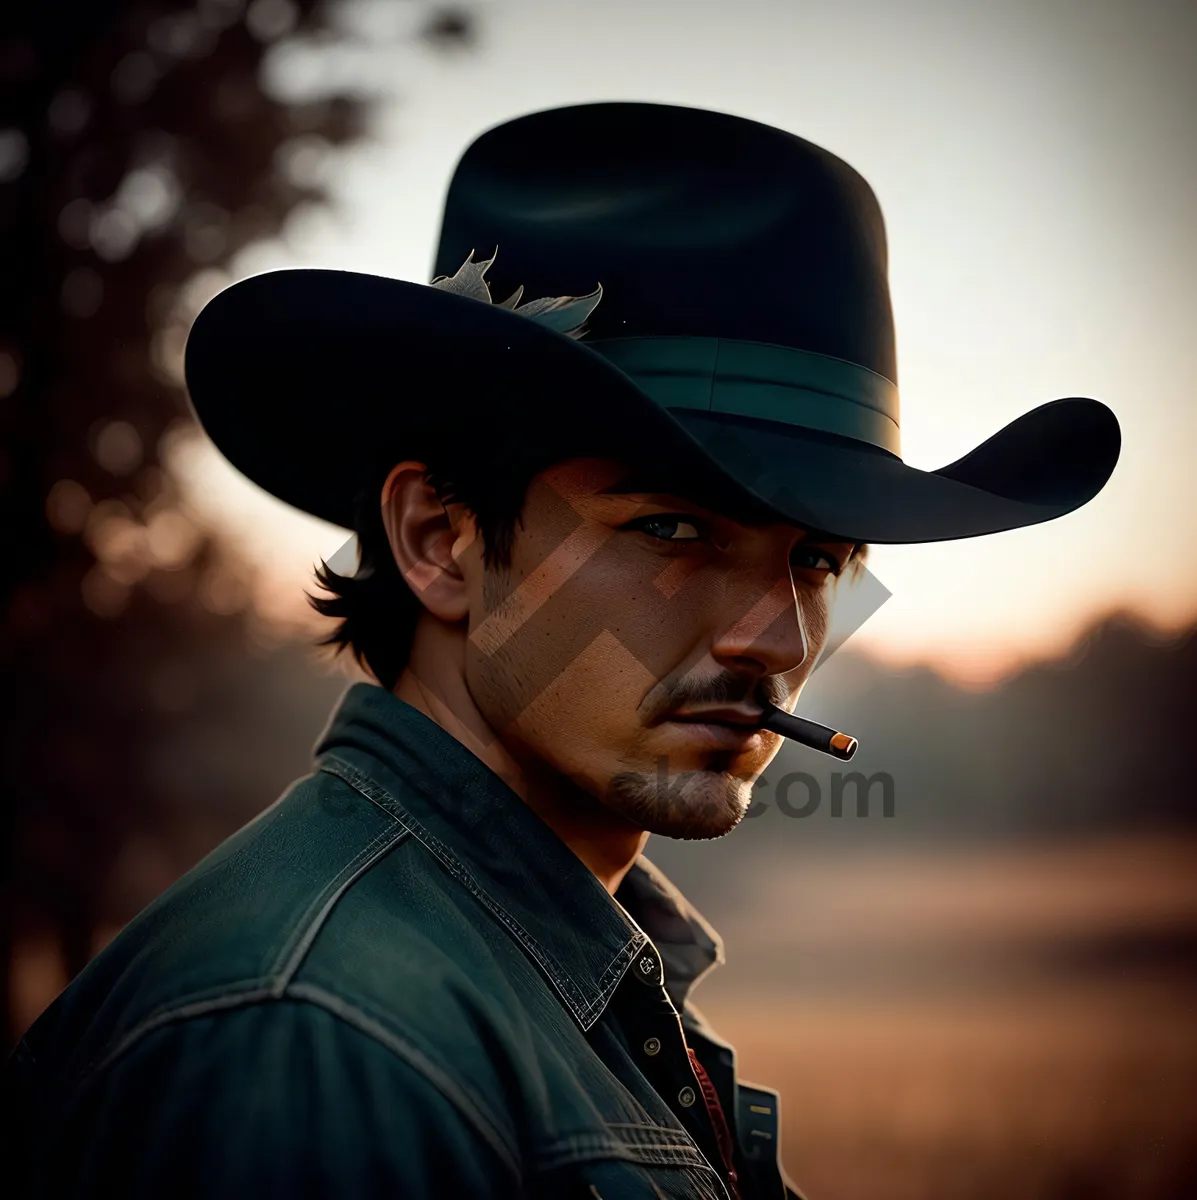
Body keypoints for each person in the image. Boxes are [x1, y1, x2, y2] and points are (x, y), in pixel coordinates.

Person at [3, 101, 1119, 1199]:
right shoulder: (322, 1040)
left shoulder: (557, 965)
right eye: (673, 529)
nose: (775, 637)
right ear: (440, 542)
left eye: (819, 560)